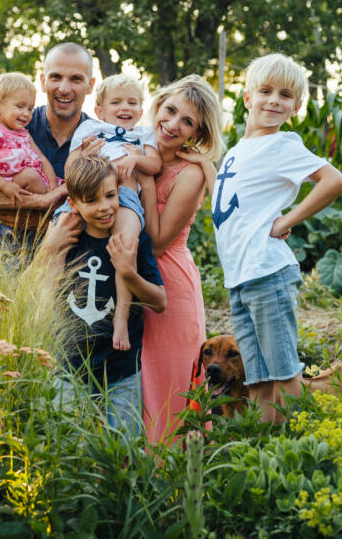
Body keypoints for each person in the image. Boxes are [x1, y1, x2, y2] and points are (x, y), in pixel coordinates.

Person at [205, 53, 342, 424]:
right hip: (241, 278)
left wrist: (288, 218)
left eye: (285, 95)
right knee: (258, 378)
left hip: (267, 273)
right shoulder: (238, 151)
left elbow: (334, 181)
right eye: (265, 91)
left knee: (283, 374)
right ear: (248, 97)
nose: (274, 100)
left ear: (296, 106)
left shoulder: (282, 145)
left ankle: (299, 446)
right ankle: (266, 447)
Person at [37, 155, 166, 444]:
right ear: (74, 204)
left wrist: (129, 273)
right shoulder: (66, 241)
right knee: (68, 448)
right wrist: (48, 250)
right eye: (92, 201)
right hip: (70, 365)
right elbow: (37, 288)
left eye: (111, 196)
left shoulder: (134, 241)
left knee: (125, 449)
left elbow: (159, 301)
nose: (105, 207)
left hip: (121, 369)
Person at [135, 75, 224, 445]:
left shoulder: (189, 174)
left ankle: (171, 485)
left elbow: (155, 243)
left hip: (169, 288)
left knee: (167, 395)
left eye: (186, 121)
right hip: (131, 283)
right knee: (136, 390)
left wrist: (148, 176)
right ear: (158, 106)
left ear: (196, 133)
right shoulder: (133, 147)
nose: (172, 125)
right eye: (170, 110)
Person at [0, 42, 96, 257]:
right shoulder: (8, 123)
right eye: (55, 77)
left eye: (76, 79)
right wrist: (37, 201)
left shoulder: (96, 139)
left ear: (90, 85)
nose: (64, 88)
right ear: (43, 81)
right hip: (1, 250)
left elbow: (106, 206)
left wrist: (33, 214)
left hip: (63, 260)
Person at [60, 73, 162, 351]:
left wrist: (134, 158)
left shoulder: (142, 134)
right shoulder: (89, 129)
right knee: (56, 236)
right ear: (99, 110)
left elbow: (153, 165)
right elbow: (70, 169)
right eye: (116, 102)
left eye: (132, 102)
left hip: (126, 196)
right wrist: (83, 155)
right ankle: (48, 306)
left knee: (125, 246)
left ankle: (120, 317)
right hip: (87, 195)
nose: (125, 108)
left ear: (141, 110)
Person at [0, 72, 59, 207]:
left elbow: (42, 159)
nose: (26, 114)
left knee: (48, 183)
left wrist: (53, 183)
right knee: (31, 176)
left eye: (30, 108)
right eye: (20, 106)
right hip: (3, 181)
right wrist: (4, 185)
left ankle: (44, 207)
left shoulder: (24, 134)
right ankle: (41, 210)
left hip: (30, 183)